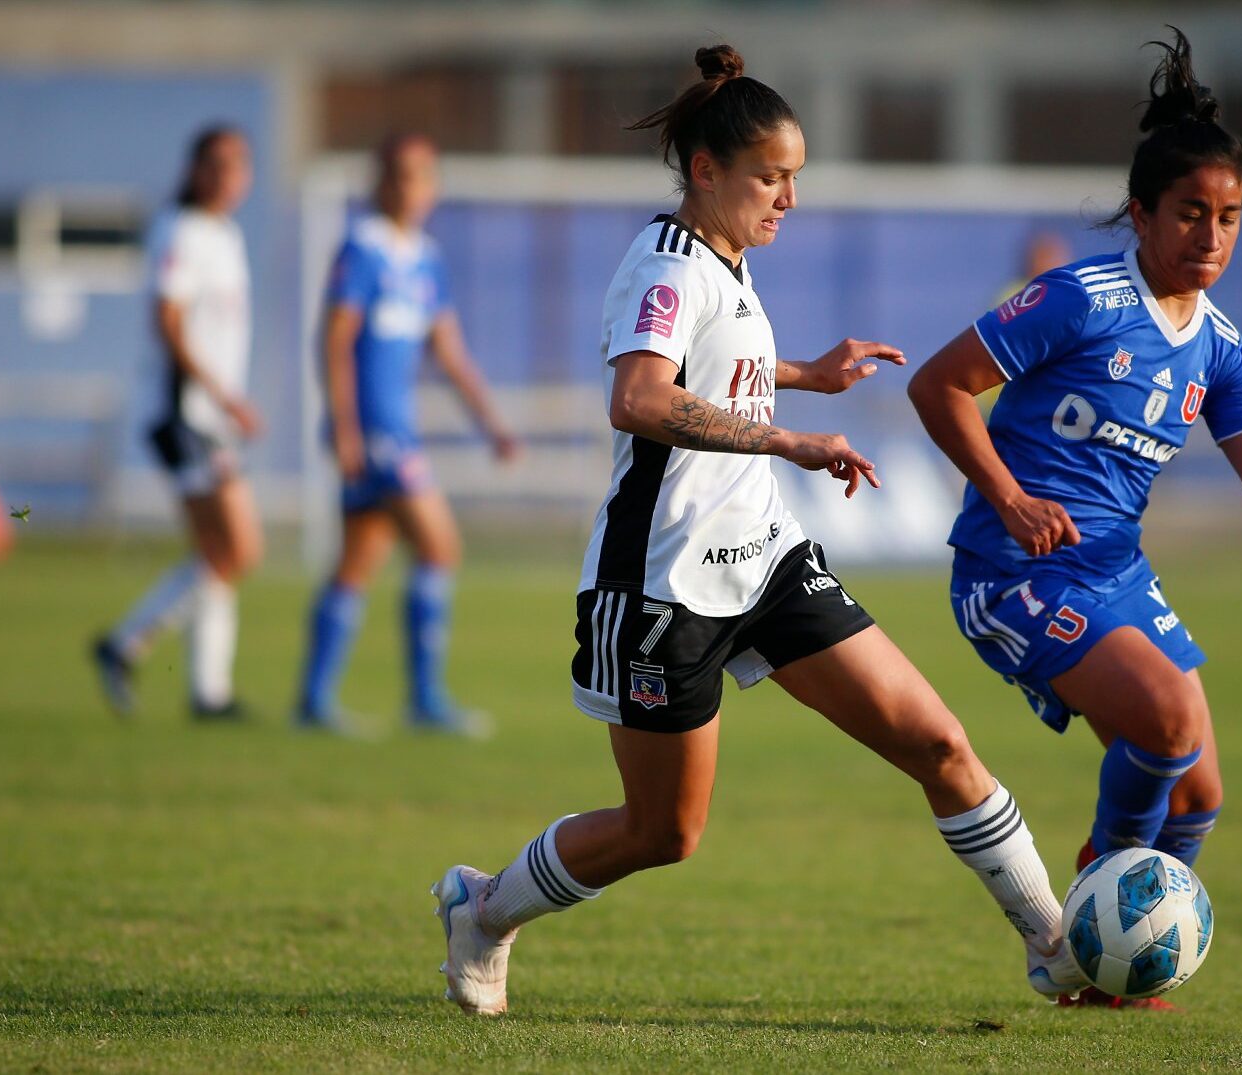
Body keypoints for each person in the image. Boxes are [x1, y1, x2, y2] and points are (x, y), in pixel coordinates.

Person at [430, 45, 1081, 1016]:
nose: (786, 199)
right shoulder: (663, 265)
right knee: (664, 832)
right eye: (769, 177)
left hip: (767, 563)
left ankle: (1055, 948)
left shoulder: (728, 268)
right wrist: (787, 438)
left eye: (794, 179)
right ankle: (483, 909)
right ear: (705, 170)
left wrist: (805, 372)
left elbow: (713, 366)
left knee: (937, 742)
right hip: (661, 587)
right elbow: (641, 397)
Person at [906, 29, 1242, 1008]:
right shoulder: (1078, 298)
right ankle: (1088, 905)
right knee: (1170, 716)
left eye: (1228, 218)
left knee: (1199, 793)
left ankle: (1108, 977)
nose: (1210, 236)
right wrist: (1008, 497)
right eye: (1190, 213)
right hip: (1011, 569)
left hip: (1113, 575)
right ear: (1139, 213)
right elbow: (939, 387)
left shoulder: (1218, 349)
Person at [295, 134, 522, 734]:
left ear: (434, 186)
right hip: (377, 431)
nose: (409, 187)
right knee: (439, 546)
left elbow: (449, 353)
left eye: (421, 175)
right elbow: (336, 340)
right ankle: (424, 700)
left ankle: (313, 702)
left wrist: (491, 425)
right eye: (398, 175)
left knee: (358, 560)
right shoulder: (362, 250)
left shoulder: (424, 258)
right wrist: (344, 427)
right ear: (379, 182)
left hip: (396, 430)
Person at [93, 125, 259, 721]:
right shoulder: (180, 230)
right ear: (194, 169)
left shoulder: (227, 235)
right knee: (237, 548)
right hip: (184, 414)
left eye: (238, 164)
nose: (227, 175)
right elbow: (168, 321)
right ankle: (127, 641)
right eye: (215, 163)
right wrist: (223, 395)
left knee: (217, 554)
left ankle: (207, 693)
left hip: (212, 416)